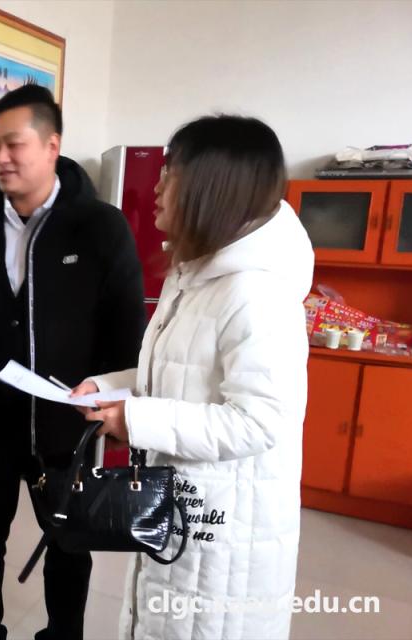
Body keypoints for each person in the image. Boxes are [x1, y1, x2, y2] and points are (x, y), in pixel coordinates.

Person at [73, 115, 313, 639]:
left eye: (171, 173)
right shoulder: (196, 276)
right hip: (186, 506)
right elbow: (181, 371)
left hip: (225, 536)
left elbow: (258, 422)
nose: (157, 188)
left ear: (213, 187)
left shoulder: (256, 293)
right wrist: (110, 387)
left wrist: (135, 419)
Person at [0, 84, 146, 640]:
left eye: (15, 144)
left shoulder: (100, 228)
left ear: (52, 146)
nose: (0, 157)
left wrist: (114, 403)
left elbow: (126, 328)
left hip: (67, 426)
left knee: (70, 543)